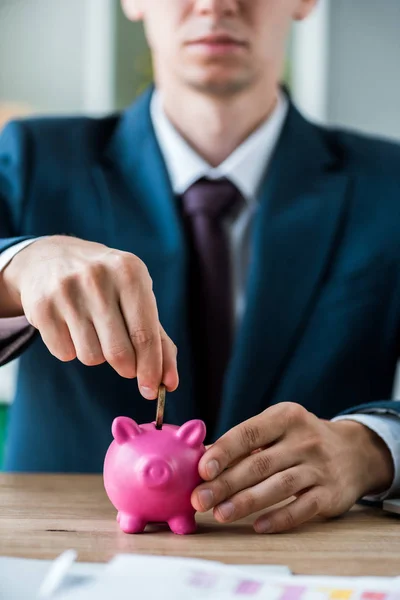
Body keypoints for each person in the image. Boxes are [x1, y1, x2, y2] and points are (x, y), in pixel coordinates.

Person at [0, 0, 399, 535]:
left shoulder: (389, 185)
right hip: (61, 553)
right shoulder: (31, 157)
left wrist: (372, 447)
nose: (216, 4)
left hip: (310, 559)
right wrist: (17, 266)